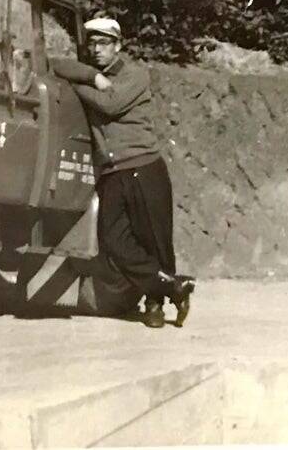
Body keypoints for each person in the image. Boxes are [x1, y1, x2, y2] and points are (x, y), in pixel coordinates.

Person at [52, 17, 195, 328]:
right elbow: (56, 64)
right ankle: (173, 287)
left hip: (144, 166)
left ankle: (154, 306)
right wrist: (91, 76)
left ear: (118, 46)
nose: (97, 49)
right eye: (92, 43)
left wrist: (78, 86)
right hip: (111, 173)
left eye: (104, 43)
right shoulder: (93, 75)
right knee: (112, 241)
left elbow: (111, 103)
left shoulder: (135, 75)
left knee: (155, 241)